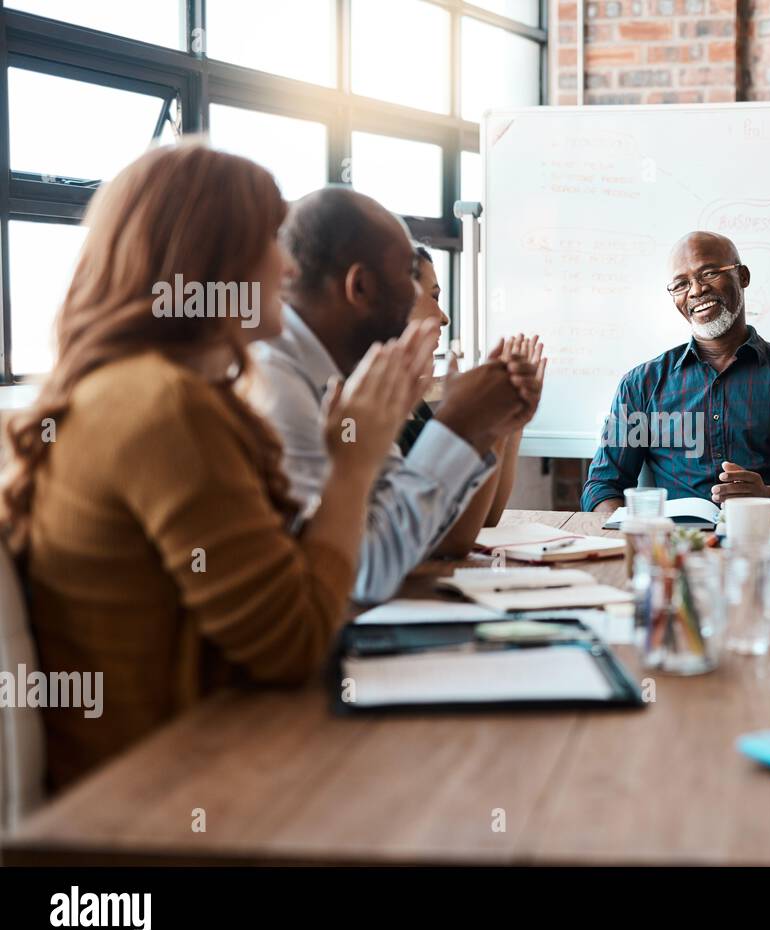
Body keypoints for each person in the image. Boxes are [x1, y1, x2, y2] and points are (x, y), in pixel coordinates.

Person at [0, 142, 434, 790]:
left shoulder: (133, 391)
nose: (287, 267)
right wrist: (353, 466)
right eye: (269, 241)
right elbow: (295, 643)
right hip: (166, 797)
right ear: (212, 263)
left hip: (187, 763)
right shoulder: (165, 407)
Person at [250, 188, 541, 601]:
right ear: (361, 286)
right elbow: (366, 571)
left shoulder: (348, 377)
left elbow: (410, 535)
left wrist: (480, 427)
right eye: (408, 275)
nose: (425, 304)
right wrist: (458, 426)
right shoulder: (276, 385)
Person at [581, 230, 770, 514]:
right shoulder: (641, 385)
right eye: (681, 284)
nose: (696, 290)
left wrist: (765, 497)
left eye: (709, 273)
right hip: (676, 548)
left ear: (743, 276)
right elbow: (602, 487)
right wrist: (633, 539)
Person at [398, 244, 543, 557]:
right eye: (434, 297)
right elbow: (447, 538)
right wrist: (473, 423)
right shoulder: (354, 413)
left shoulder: (416, 403)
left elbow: (482, 520)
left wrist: (505, 424)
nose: (445, 318)